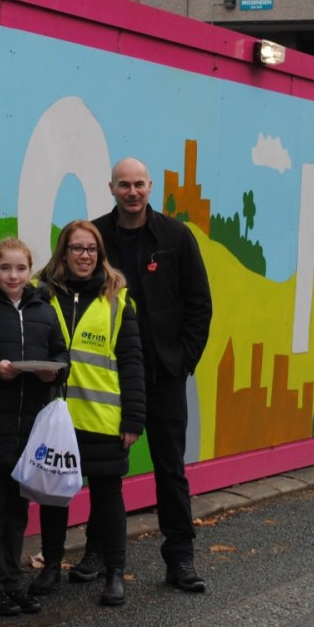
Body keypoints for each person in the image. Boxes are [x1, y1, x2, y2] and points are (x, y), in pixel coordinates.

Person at [92, 157, 213, 593]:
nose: (132, 192)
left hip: (164, 374)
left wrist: (182, 362)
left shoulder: (176, 237)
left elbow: (200, 304)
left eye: (139, 184)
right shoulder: (95, 236)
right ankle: (97, 551)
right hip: (108, 374)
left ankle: (180, 556)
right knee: (103, 468)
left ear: (150, 186)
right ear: (111, 187)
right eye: (124, 185)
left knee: (170, 467)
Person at [36, 219, 145, 606]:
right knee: (53, 495)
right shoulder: (41, 295)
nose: (85, 256)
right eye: (77, 248)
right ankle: (51, 566)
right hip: (55, 417)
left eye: (91, 249)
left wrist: (133, 419)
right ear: (63, 252)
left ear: (100, 254)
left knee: (108, 496)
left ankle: (115, 573)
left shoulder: (117, 299)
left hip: (102, 419)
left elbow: (132, 362)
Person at [0, 237, 68, 616]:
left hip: (31, 427)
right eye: (5, 268)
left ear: (29, 271)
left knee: (18, 512)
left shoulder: (44, 310)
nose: (13, 275)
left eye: (21, 268)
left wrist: (51, 371)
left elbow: (62, 355)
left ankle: (12, 582)